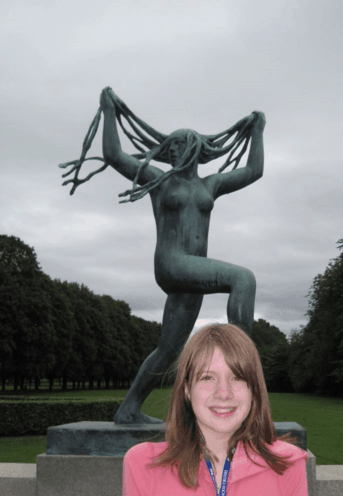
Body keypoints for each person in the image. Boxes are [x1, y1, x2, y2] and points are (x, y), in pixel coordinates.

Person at [61, 86, 266, 424]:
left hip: (192, 277)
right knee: (242, 278)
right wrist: (109, 112)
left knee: (168, 350)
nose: (171, 150)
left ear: (194, 149)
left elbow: (253, 171)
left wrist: (257, 131)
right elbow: (115, 155)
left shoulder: (209, 185)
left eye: (178, 145)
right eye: (169, 146)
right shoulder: (160, 181)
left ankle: (128, 410)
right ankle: (245, 369)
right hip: (172, 264)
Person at [122, 323, 309, 496]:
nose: (224, 392)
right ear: (187, 389)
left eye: (237, 378)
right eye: (207, 377)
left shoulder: (287, 466)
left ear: (254, 389)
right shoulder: (143, 466)